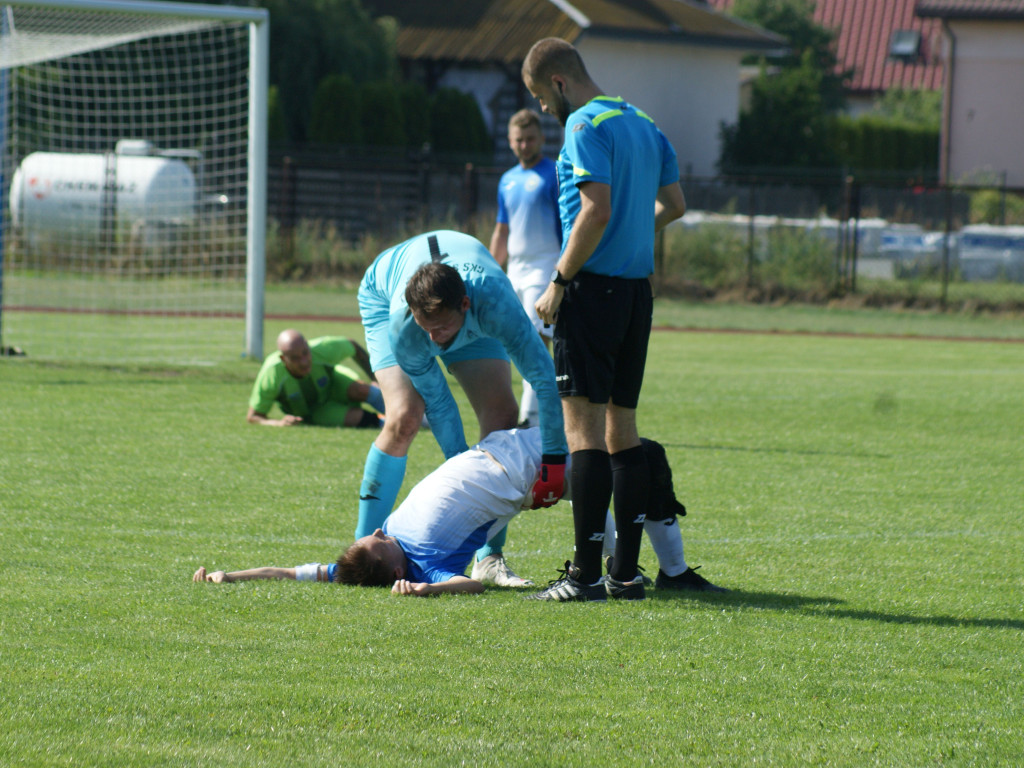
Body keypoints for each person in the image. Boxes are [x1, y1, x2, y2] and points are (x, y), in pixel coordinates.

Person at [521, 38, 688, 601]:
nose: (544, 110)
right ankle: (624, 574)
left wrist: (558, 282)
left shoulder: (585, 126)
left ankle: (586, 577)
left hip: (590, 293)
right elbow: (676, 205)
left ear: (560, 84)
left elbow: (596, 209)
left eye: (542, 97)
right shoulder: (644, 123)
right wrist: (633, 234)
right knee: (624, 430)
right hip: (636, 296)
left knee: (583, 432)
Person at [192, 428, 726, 597]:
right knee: (639, 459)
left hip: (502, 449)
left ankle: (653, 573)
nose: (379, 529)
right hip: (522, 468)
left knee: (626, 472)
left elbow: (292, 571)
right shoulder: (422, 563)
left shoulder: (378, 554)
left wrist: (230, 574)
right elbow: (474, 585)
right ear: (396, 570)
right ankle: (656, 575)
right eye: (378, 540)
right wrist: (428, 591)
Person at [355, 230, 569, 586]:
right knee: (405, 417)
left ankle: (489, 559)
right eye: (427, 330)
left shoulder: (495, 306)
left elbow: (544, 379)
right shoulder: (408, 329)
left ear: (465, 307)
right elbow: (439, 404)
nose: (434, 341)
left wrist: (555, 460)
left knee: (501, 415)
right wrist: (463, 474)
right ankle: (364, 544)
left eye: (440, 329)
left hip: (476, 305)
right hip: (382, 295)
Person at [489, 108, 562, 429]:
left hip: (545, 268)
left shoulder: (555, 174)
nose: (524, 145)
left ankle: (530, 418)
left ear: (542, 139)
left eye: (530, 138)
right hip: (515, 273)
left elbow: (568, 225)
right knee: (513, 344)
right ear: (510, 141)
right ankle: (537, 412)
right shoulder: (507, 180)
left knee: (535, 340)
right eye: (518, 139)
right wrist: (492, 271)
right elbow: (501, 229)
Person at [247, 330, 385, 429]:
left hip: (335, 385)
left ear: (307, 345)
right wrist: (279, 423)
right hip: (314, 412)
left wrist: (376, 378)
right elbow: (254, 417)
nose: (304, 362)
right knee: (359, 419)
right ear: (283, 359)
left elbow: (352, 346)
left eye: (305, 353)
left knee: (362, 390)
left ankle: (402, 412)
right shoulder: (271, 373)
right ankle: (388, 423)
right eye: (295, 358)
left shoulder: (321, 349)